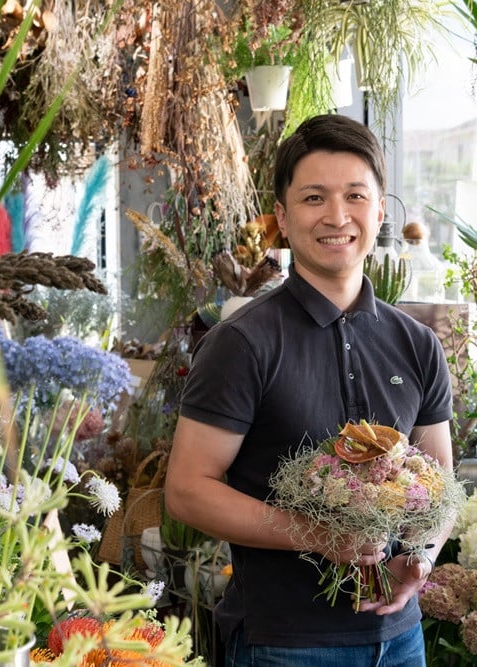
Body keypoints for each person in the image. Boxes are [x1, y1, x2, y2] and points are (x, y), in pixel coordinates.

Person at [164, 113, 455, 667]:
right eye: (314, 198)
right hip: (284, 644)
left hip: (400, 642)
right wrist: (319, 535)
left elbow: (438, 483)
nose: (337, 216)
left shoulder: (417, 344)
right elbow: (186, 490)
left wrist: (420, 555)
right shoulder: (241, 344)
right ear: (281, 216)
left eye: (355, 196)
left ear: (380, 209)